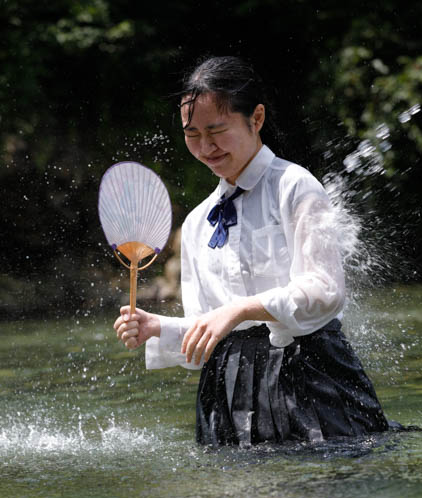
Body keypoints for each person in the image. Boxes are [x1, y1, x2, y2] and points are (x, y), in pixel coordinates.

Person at [114, 55, 390, 447]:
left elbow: (325, 291)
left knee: (325, 494)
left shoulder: (295, 187)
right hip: (228, 394)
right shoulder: (196, 223)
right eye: (192, 134)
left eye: (216, 130)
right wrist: (157, 326)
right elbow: (209, 329)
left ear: (256, 118)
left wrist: (242, 307)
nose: (205, 146)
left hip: (311, 377)